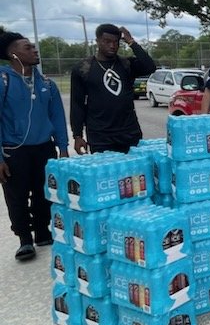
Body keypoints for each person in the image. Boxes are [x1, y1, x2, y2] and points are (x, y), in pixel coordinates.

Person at [0, 31, 69, 261]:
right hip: (14, 150)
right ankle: (24, 240)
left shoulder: (46, 84)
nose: (34, 50)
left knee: (44, 192)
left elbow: (58, 116)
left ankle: (42, 231)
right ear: (13, 54)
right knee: (16, 195)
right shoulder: (4, 80)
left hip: (44, 148)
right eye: (27, 47)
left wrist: (63, 147)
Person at [70, 24, 156, 154]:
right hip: (100, 136)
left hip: (129, 133)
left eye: (116, 42)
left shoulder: (126, 64)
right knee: (106, 173)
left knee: (134, 174)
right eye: (107, 41)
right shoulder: (83, 68)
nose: (112, 45)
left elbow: (150, 67)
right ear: (98, 41)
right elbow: (77, 104)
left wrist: (131, 42)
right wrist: (77, 135)